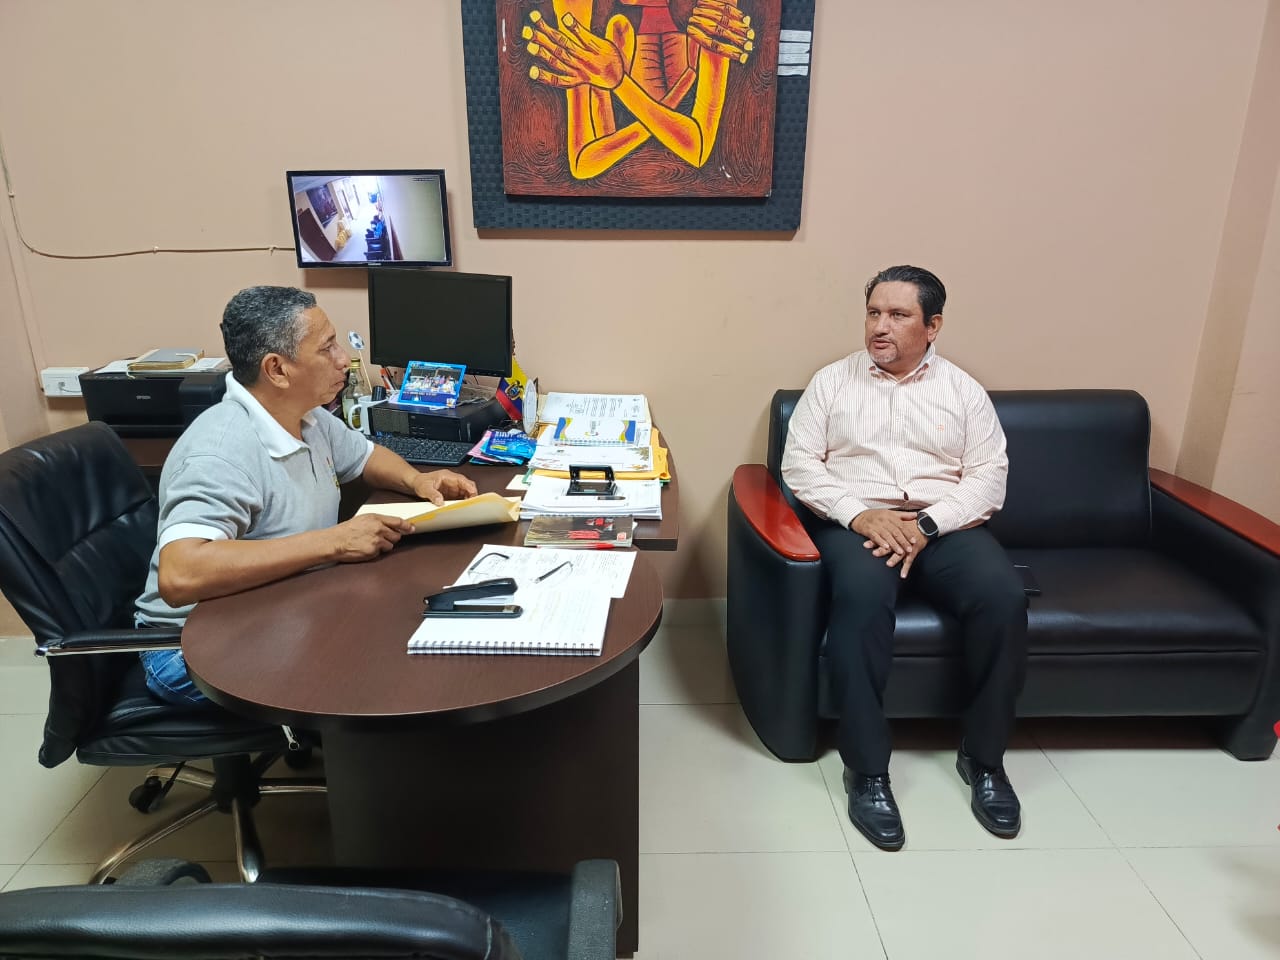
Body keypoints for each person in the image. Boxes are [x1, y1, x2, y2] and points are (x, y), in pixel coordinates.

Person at [781, 265, 1027, 850]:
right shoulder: (832, 382)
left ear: (932, 325)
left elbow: (989, 477)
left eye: (898, 315)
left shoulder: (963, 391)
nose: (880, 326)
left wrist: (928, 525)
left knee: (1003, 597)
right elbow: (800, 466)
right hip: (859, 523)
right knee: (861, 600)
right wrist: (859, 514)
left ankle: (984, 760)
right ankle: (867, 771)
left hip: (943, 525)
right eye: (874, 313)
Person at [134, 285, 478, 704]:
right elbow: (180, 574)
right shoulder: (220, 449)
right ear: (277, 370)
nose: (343, 360)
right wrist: (334, 542)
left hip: (269, 609)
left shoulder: (307, 417)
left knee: (397, 625)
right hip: (187, 648)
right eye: (327, 348)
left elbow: (366, 456)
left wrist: (417, 481)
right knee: (376, 669)